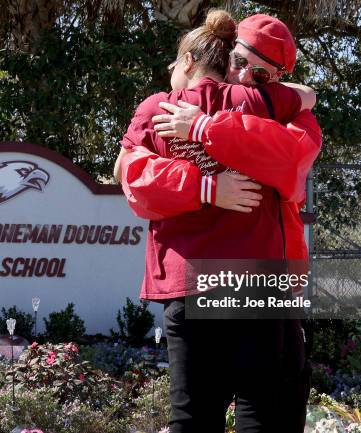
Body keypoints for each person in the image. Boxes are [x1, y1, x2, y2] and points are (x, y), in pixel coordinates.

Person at [116, 11, 322, 433]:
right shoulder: (266, 105)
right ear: (226, 52)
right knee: (259, 417)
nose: (247, 76)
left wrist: (206, 128)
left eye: (262, 75)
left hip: (219, 282)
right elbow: (128, 173)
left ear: (188, 60)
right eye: (241, 62)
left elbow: (132, 177)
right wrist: (208, 187)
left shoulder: (162, 107)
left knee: (206, 419)